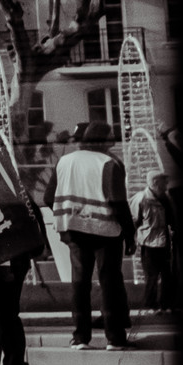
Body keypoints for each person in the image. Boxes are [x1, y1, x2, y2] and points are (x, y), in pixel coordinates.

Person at [46, 120, 136, 349]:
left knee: (79, 284)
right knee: (110, 283)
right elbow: (118, 202)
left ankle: (80, 337)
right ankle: (114, 338)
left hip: (73, 229)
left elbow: (48, 197)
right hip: (106, 231)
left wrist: (67, 212)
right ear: (104, 141)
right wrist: (129, 233)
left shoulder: (64, 161)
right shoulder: (109, 162)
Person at [130, 173, 176, 312]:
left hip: (164, 242)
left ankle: (166, 305)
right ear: (155, 182)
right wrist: (131, 241)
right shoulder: (141, 199)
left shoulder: (165, 198)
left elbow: (171, 219)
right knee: (151, 276)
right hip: (149, 243)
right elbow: (133, 222)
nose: (166, 186)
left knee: (167, 274)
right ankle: (150, 305)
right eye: (164, 182)